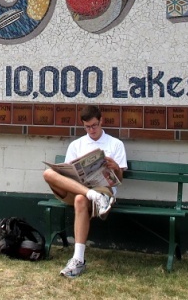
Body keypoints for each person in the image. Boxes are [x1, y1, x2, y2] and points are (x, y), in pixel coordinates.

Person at [42, 105, 127, 278]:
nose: (92, 130)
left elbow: (119, 179)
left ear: (101, 120)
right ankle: (92, 195)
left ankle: (78, 259)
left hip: (104, 191)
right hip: (80, 188)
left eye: (94, 125)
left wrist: (116, 167)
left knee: (80, 200)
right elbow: (67, 173)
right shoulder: (76, 144)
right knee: (47, 173)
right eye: (87, 127)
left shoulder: (115, 144)